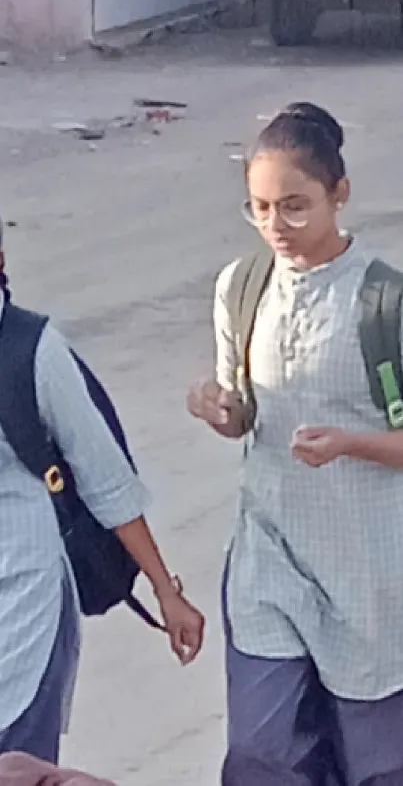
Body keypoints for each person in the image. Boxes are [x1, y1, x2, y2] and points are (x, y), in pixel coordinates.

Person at [187, 102, 403, 786]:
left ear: (338, 195)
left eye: (294, 206)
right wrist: (216, 408)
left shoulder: (382, 303)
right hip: (270, 559)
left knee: (376, 766)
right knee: (261, 755)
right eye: (258, 208)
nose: (274, 226)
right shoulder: (241, 287)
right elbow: (243, 413)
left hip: (370, 573)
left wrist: (351, 444)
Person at [0, 225, 204, 763]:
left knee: (20, 768)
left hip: (24, 606)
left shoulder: (30, 351)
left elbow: (104, 478)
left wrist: (166, 590)